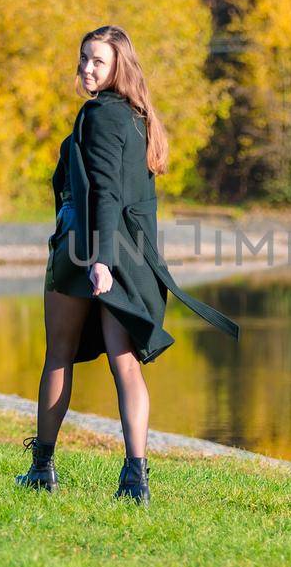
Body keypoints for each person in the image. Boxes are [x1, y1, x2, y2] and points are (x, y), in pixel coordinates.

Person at [17, 25, 241, 504]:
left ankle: (42, 468)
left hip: (88, 251)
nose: (87, 69)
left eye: (98, 61)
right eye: (83, 60)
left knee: (59, 354)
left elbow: (104, 191)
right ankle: (135, 477)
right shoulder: (140, 117)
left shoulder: (99, 114)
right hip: (132, 255)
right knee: (125, 363)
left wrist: (99, 260)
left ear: (120, 65)